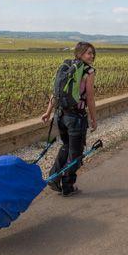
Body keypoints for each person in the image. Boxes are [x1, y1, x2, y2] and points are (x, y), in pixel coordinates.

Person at [41, 42, 97, 196]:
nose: (91, 56)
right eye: (88, 53)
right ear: (79, 54)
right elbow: (90, 99)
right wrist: (93, 119)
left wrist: (48, 112)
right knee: (76, 153)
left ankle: (54, 177)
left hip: (60, 116)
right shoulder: (88, 71)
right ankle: (67, 186)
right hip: (76, 118)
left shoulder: (66, 67)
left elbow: (56, 92)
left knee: (66, 146)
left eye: (92, 53)